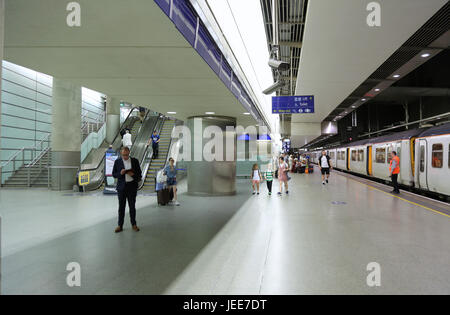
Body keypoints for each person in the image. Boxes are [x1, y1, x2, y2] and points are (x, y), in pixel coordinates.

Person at [112, 147, 142, 233]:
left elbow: (139, 174)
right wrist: (120, 173)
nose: (125, 156)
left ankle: (134, 224)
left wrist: (133, 174)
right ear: (121, 154)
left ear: (129, 153)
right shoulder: (117, 162)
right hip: (121, 188)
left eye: (126, 155)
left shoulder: (135, 161)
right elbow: (114, 174)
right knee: (121, 207)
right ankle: (120, 225)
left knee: (132, 207)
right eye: (123, 155)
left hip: (132, 187)